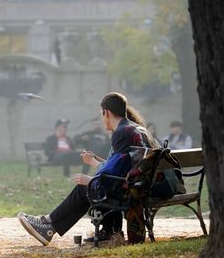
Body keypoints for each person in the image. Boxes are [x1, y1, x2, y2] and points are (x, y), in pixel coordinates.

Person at [18, 92, 156, 246]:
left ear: (106, 112)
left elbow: (115, 174)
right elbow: (121, 166)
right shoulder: (137, 129)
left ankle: (49, 226)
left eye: (101, 115)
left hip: (132, 190)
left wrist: (91, 179)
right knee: (91, 184)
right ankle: (108, 231)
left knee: (86, 187)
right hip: (147, 186)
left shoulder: (122, 133)